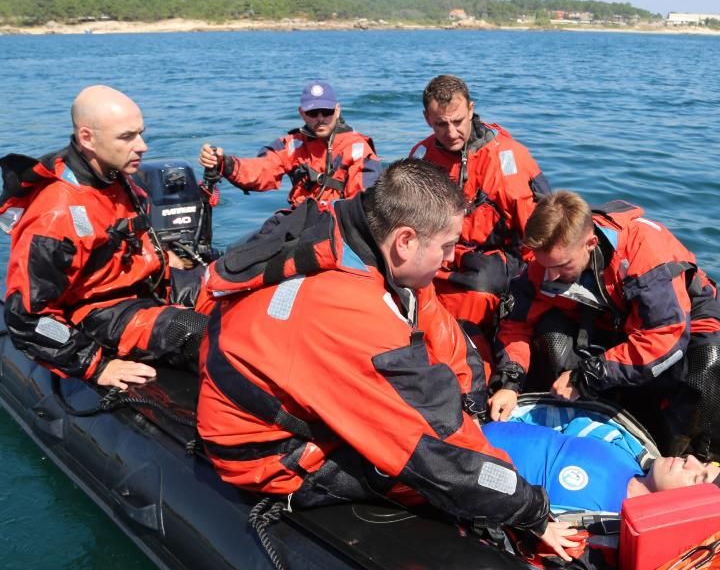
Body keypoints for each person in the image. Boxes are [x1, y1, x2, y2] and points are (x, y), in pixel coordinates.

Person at [196, 158, 577, 559]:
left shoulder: (354, 238)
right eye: (446, 247)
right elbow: (435, 452)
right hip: (268, 451)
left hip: (288, 371)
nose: (451, 259)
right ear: (406, 241)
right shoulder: (352, 312)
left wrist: (471, 406)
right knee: (422, 482)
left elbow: (437, 327)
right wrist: (531, 511)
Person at [489, 190, 720, 455]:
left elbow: (664, 336)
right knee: (550, 335)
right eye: (544, 264)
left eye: (562, 266)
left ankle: (673, 452)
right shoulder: (546, 264)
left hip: (684, 314)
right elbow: (515, 324)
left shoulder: (646, 253)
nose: (550, 275)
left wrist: (588, 376)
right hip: (607, 317)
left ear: (591, 244)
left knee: (709, 369)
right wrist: (510, 384)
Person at [1, 85, 209, 390]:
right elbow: (28, 318)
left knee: (236, 287)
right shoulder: (55, 216)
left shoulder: (115, 178)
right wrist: (95, 365)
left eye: (140, 133)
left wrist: (166, 257)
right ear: (87, 138)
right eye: (127, 137)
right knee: (197, 330)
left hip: (144, 284)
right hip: (99, 312)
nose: (142, 146)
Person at [409, 74, 550, 336]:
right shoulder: (420, 157)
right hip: (439, 256)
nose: (451, 133)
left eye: (458, 121)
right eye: (440, 124)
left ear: (471, 109)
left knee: (477, 289)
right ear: (427, 119)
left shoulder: (511, 158)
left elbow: (539, 232)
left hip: (494, 260)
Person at [482, 420, 720, 520]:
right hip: (477, 423)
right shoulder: (629, 451)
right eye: (702, 464)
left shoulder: (604, 523)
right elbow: (571, 422)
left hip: (463, 463)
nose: (689, 460)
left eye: (697, 476)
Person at [199, 80, 380, 207]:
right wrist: (224, 163)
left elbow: (364, 201)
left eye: (326, 111)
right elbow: (262, 169)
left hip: (337, 224)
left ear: (337, 110)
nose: (321, 118)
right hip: (298, 218)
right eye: (313, 113)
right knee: (240, 254)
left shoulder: (357, 148)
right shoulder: (292, 145)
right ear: (302, 113)